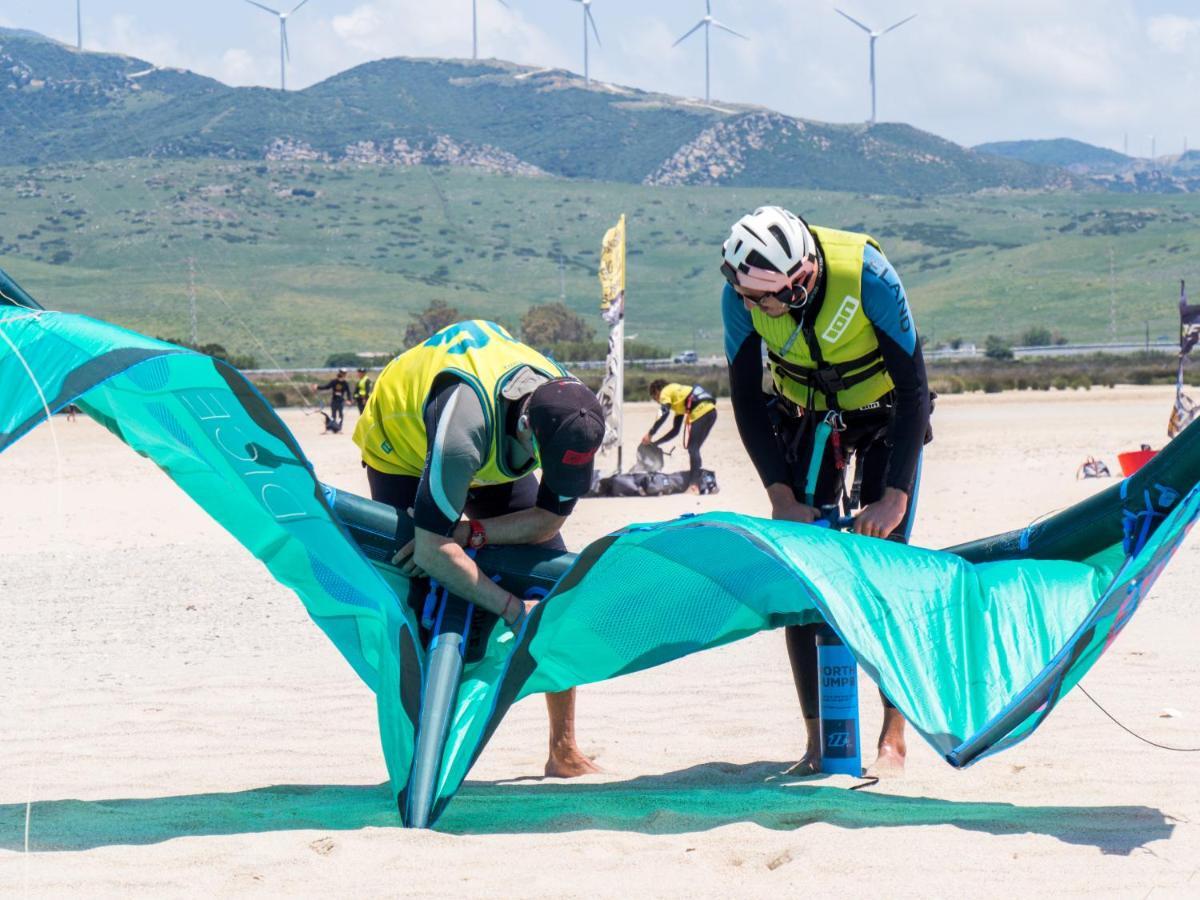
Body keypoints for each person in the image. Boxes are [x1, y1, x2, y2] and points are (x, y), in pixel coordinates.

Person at [720, 206, 931, 777]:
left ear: (804, 277)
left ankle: (893, 735)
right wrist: (780, 494)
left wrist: (895, 495)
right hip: (808, 419)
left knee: (887, 571)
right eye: (748, 298)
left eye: (767, 300)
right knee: (801, 579)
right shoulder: (741, 297)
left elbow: (915, 389)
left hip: (886, 413)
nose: (755, 310)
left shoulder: (868, 275)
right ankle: (819, 738)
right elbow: (744, 399)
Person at [352, 319, 605, 778]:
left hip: (494, 436)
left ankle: (563, 750)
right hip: (403, 446)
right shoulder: (461, 433)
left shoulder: (571, 412)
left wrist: (475, 534)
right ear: (528, 429)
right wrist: (511, 609)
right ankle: (419, 753)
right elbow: (430, 550)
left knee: (553, 588)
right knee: (416, 592)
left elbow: (548, 519)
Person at [641, 379, 717, 493]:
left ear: (657, 391)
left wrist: (650, 433)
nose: (657, 401)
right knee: (694, 449)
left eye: (654, 398)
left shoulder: (665, 391)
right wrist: (656, 443)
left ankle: (693, 484)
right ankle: (698, 480)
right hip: (711, 412)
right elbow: (675, 431)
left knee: (693, 449)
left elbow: (663, 412)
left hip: (701, 411)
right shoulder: (678, 398)